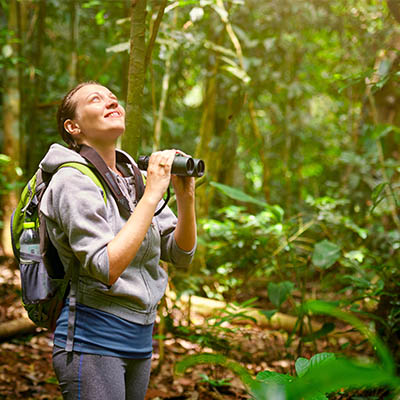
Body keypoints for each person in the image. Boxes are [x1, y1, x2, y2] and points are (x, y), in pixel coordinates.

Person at [39, 81, 197, 400]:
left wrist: (185, 197)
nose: (112, 102)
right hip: (92, 338)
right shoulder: (71, 180)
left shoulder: (132, 177)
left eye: (113, 98)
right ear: (73, 127)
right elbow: (105, 266)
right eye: (96, 100)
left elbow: (180, 254)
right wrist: (153, 193)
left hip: (140, 338)